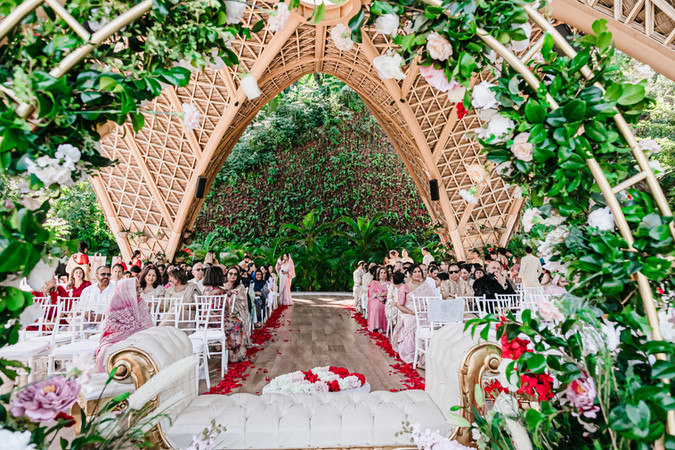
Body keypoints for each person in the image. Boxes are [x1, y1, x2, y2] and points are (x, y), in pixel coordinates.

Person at [95, 277, 153, 372]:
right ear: (126, 291)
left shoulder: (140, 303)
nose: (139, 292)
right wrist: (128, 331)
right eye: (136, 289)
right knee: (105, 352)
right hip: (115, 338)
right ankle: (105, 380)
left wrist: (133, 331)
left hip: (138, 337)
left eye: (139, 288)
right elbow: (111, 326)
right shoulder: (115, 302)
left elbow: (147, 326)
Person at [391, 264, 435, 364]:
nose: (417, 274)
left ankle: (429, 354)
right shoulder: (405, 287)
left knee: (434, 323)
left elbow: (433, 301)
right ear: (410, 274)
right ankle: (414, 353)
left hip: (426, 313)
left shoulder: (426, 286)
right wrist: (411, 312)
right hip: (410, 313)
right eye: (415, 272)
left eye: (419, 271)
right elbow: (400, 305)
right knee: (412, 323)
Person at [222, 266, 251, 361]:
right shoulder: (222, 286)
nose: (233, 276)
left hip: (238, 311)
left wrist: (230, 306)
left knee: (235, 323)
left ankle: (235, 350)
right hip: (224, 310)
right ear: (227, 274)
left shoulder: (240, 286)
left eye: (235, 274)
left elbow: (242, 302)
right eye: (231, 273)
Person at [367, 267, 389, 332]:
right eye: (381, 273)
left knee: (382, 305)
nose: (383, 274)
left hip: (386, 298)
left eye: (385, 273)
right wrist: (379, 297)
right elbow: (371, 292)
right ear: (378, 274)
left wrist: (381, 295)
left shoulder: (389, 283)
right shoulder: (374, 283)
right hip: (376, 298)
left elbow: (390, 292)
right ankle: (375, 326)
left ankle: (382, 326)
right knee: (376, 305)